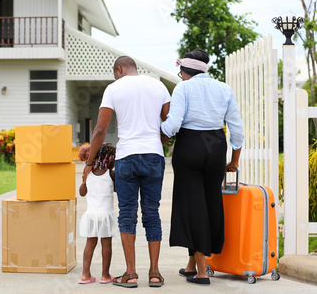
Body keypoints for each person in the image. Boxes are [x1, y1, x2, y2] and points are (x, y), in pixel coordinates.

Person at [82, 56, 171, 288]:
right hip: (153, 156)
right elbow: (169, 123)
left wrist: (90, 162)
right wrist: (159, 142)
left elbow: (100, 130)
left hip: (127, 157)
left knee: (127, 214)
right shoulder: (158, 85)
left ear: (119, 69)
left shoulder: (113, 88)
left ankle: (130, 274)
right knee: (152, 213)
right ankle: (154, 273)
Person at [160, 49, 244, 285]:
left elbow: (174, 123)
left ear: (184, 71)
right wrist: (234, 161)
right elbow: (237, 129)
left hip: (190, 146)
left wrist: (159, 138)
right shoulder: (224, 88)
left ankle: (202, 271)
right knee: (209, 203)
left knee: (192, 206)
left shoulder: (183, 88)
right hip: (216, 145)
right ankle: (191, 265)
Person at [78, 144, 117, 285]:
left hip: (91, 215)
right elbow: (117, 190)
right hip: (105, 215)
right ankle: (105, 275)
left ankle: (85, 275)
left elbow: (82, 193)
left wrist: (84, 181)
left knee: (90, 244)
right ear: (109, 159)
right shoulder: (110, 173)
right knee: (106, 245)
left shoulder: (88, 172)